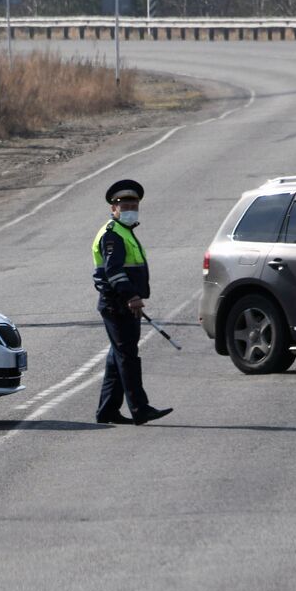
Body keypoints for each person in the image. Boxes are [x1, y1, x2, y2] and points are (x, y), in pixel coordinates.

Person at [91, 179, 173, 426]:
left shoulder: (124, 232)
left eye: (133, 205)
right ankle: (140, 408)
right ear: (113, 209)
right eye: (124, 205)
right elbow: (113, 272)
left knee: (117, 358)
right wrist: (132, 297)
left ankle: (107, 411)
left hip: (121, 303)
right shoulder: (113, 235)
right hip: (118, 305)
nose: (129, 209)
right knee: (128, 357)